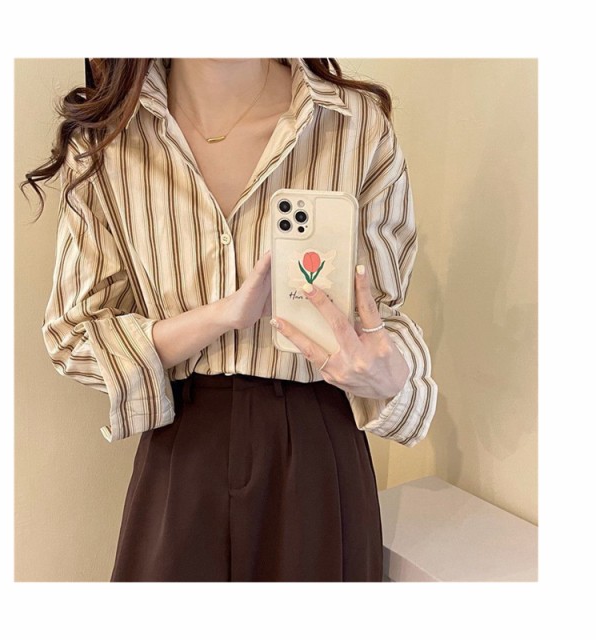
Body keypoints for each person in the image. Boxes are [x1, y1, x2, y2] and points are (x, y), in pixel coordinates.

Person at [22, 58, 438, 582]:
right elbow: (73, 334)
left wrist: (391, 377)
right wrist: (220, 316)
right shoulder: (108, 140)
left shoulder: (354, 124)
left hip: (317, 448)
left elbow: (381, 314)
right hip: (181, 445)